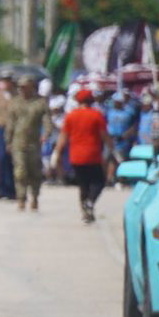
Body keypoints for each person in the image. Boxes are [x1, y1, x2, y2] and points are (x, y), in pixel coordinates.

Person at [54, 87, 110, 224]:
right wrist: (112, 149)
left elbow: (63, 137)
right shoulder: (97, 115)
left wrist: (57, 153)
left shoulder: (71, 116)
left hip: (76, 156)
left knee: (83, 184)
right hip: (93, 155)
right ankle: (90, 203)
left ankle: (85, 212)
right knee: (99, 181)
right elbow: (104, 136)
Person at [6, 76, 50, 211]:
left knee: (35, 172)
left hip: (34, 143)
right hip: (18, 142)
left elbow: (47, 121)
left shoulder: (40, 102)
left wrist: (46, 134)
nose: (22, 90)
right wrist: (8, 140)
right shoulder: (14, 102)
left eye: (25, 87)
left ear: (32, 87)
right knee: (20, 171)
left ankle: (35, 197)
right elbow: (10, 123)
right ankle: (21, 198)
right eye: (20, 87)